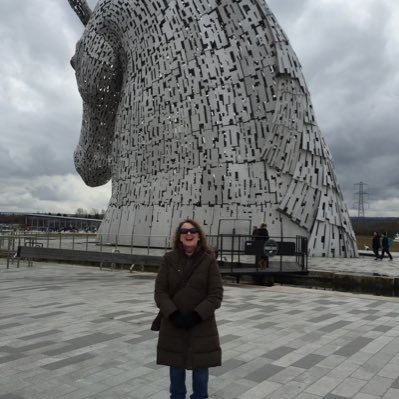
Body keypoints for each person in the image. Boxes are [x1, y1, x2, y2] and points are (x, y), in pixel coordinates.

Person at [154, 219, 223, 399]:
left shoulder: (209, 261)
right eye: (184, 232)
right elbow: (160, 292)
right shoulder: (169, 260)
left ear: (199, 235)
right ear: (179, 237)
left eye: (192, 231)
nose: (189, 234)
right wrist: (173, 314)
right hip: (174, 325)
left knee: (200, 371)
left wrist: (197, 315)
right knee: (176, 370)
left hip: (201, 325)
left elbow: (216, 294)